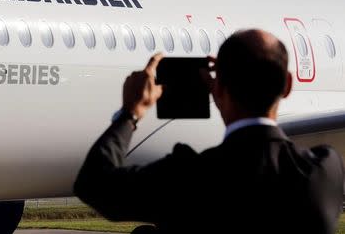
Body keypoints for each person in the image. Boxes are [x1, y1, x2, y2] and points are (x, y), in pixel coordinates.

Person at [74, 29, 344, 234]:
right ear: (287, 86)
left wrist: (130, 113)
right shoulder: (323, 171)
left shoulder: (187, 176)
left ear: (217, 88)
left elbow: (93, 184)